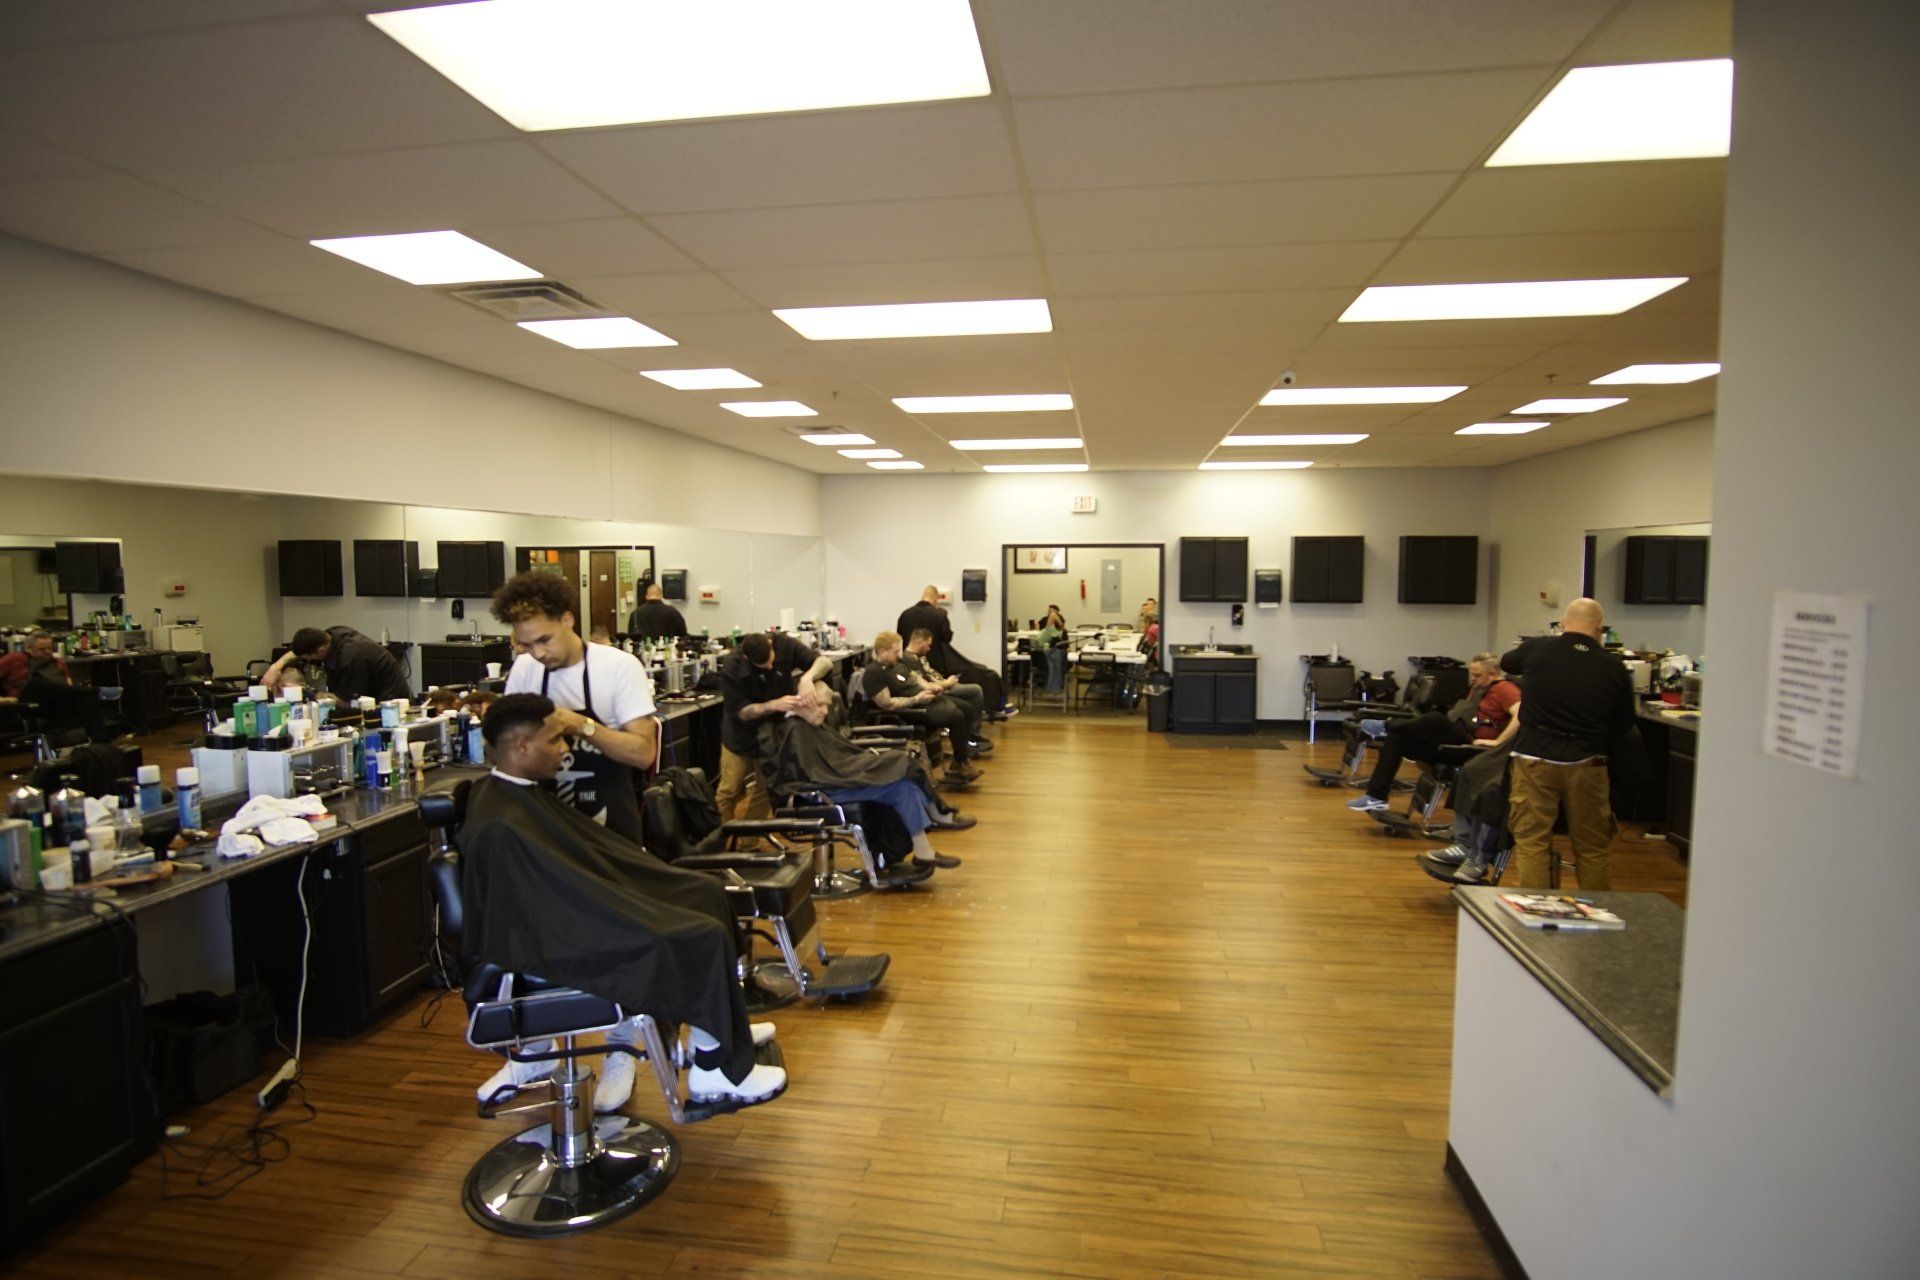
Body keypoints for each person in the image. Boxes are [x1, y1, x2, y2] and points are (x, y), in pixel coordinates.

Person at [460, 694, 784, 1109]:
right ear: (522, 746)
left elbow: (573, 876)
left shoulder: (518, 796)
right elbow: (541, 911)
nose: (565, 749)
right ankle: (715, 1071)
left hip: (565, 913)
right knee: (696, 934)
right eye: (556, 740)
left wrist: (636, 887)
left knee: (704, 893)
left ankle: (722, 1031)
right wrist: (629, 907)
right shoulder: (500, 825)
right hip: (547, 941)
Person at [495, 571, 658, 843]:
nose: (538, 654)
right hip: (547, 829)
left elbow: (643, 754)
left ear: (567, 620)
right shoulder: (524, 668)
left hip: (611, 832)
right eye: (527, 645)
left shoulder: (618, 667)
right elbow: (506, 750)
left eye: (544, 640)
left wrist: (581, 725)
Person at [1500, 599, 1638, 889]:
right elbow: (1624, 722)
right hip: (1586, 762)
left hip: (1534, 757)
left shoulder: (1538, 648)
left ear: (1563, 622)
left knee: (1532, 841)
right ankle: (1596, 908)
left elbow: (1507, 663)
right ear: (1600, 628)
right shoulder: (1613, 667)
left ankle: (1538, 908)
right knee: (1592, 846)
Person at [757, 695, 960, 870]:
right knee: (899, 775)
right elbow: (814, 773)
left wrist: (860, 767)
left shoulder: (814, 726)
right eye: (819, 705)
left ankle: (922, 850)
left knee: (902, 784)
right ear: (800, 705)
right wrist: (857, 772)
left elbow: (839, 759)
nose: (825, 711)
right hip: (822, 792)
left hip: (837, 781)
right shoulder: (794, 731)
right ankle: (936, 815)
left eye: (827, 705)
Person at [1346, 653, 1520, 814]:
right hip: (1456, 743)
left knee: (1436, 718)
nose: (1473, 679)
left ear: (1493, 673)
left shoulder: (1504, 688)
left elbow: (1520, 715)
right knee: (1396, 739)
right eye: (1472, 674)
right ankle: (1376, 797)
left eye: (1477, 675)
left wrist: (1499, 742)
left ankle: (1387, 725)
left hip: (1473, 748)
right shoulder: (1478, 688)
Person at [715, 631, 833, 826]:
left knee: (766, 789)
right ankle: (721, 837)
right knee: (729, 790)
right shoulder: (732, 667)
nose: (770, 667)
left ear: (771, 643)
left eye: (771, 661)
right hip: (740, 733)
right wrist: (772, 705)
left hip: (773, 732)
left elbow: (824, 662)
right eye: (763, 666)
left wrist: (807, 678)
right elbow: (743, 713)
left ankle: (749, 840)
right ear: (747, 658)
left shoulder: (785, 644)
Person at [861, 631, 979, 786]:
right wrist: (917, 699)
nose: (898, 655)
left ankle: (959, 759)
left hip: (925, 700)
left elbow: (915, 678)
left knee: (967, 709)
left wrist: (931, 687)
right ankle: (961, 763)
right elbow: (887, 703)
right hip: (908, 711)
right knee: (956, 716)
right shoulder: (873, 672)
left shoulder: (896, 664)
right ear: (882, 651)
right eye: (895, 652)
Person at [896, 586, 1016, 719]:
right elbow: (947, 637)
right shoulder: (938, 614)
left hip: (915, 673)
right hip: (937, 666)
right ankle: (992, 708)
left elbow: (900, 634)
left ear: (923, 595)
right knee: (985, 676)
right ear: (935, 599)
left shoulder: (905, 615)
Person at [0, 630, 120, 742]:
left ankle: (101, 744)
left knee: (85, 698)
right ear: (29, 648)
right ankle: (95, 691)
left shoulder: (57, 662)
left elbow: (69, 687)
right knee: (36, 683)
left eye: (49, 648)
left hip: (55, 704)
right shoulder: (14, 659)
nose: (47, 651)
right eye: (42, 649)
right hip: (29, 703)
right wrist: (3, 699)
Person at [263, 625, 410, 702]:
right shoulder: (332, 635)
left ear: (320, 650)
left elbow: (346, 702)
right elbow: (298, 652)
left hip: (388, 704)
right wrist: (276, 667)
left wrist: (305, 692)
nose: (308, 661)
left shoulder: (350, 659)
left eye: (308, 658)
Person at [902, 629, 991, 755]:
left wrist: (944, 681)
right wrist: (946, 684)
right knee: (975, 692)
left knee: (969, 703)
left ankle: (970, 738)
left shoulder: (920, 657)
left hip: (938, 687)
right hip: (932, 693)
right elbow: (923, 683)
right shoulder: (909, 659)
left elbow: (931, 674)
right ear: (920, 642)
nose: (929, 648)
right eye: (928, 645)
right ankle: (971, 738)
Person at [1034, 606, 1069, 695]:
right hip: (1044, 658)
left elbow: (1053, 615)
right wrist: (1061, 625)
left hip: (1038, 660)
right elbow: (1053, 615)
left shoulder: (1049, 631)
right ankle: (1057, 685)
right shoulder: (1052, 631)